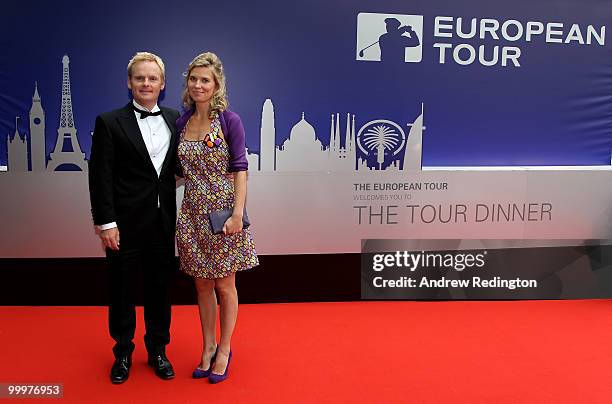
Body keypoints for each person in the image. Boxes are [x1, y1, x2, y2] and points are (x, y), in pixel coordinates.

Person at [88, 52, 180, 384]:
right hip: (123, 225)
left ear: (162, 84)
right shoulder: (109, 121)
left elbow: (177, 169)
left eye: (152, 78)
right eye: (139, 78)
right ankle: (123, 353)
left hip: (162, 223)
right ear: (129, 83)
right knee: (122, 291)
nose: (146, 83)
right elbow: (100, 177)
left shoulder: (175, 119)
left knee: (160, 291)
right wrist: (106, 223)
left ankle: (158, 350)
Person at [175, 52, 258, 384]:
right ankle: (207, 346)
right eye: (193, 79)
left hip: (223, 213)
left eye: (204, 80)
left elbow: (240, 168)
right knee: (202, 284)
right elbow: (180, 171)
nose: (198, 85)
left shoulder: (228, 121)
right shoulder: (181, 122)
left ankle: (224, 348)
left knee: (225, 285)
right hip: (191, 213)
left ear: (216, 84)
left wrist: (238, 214)